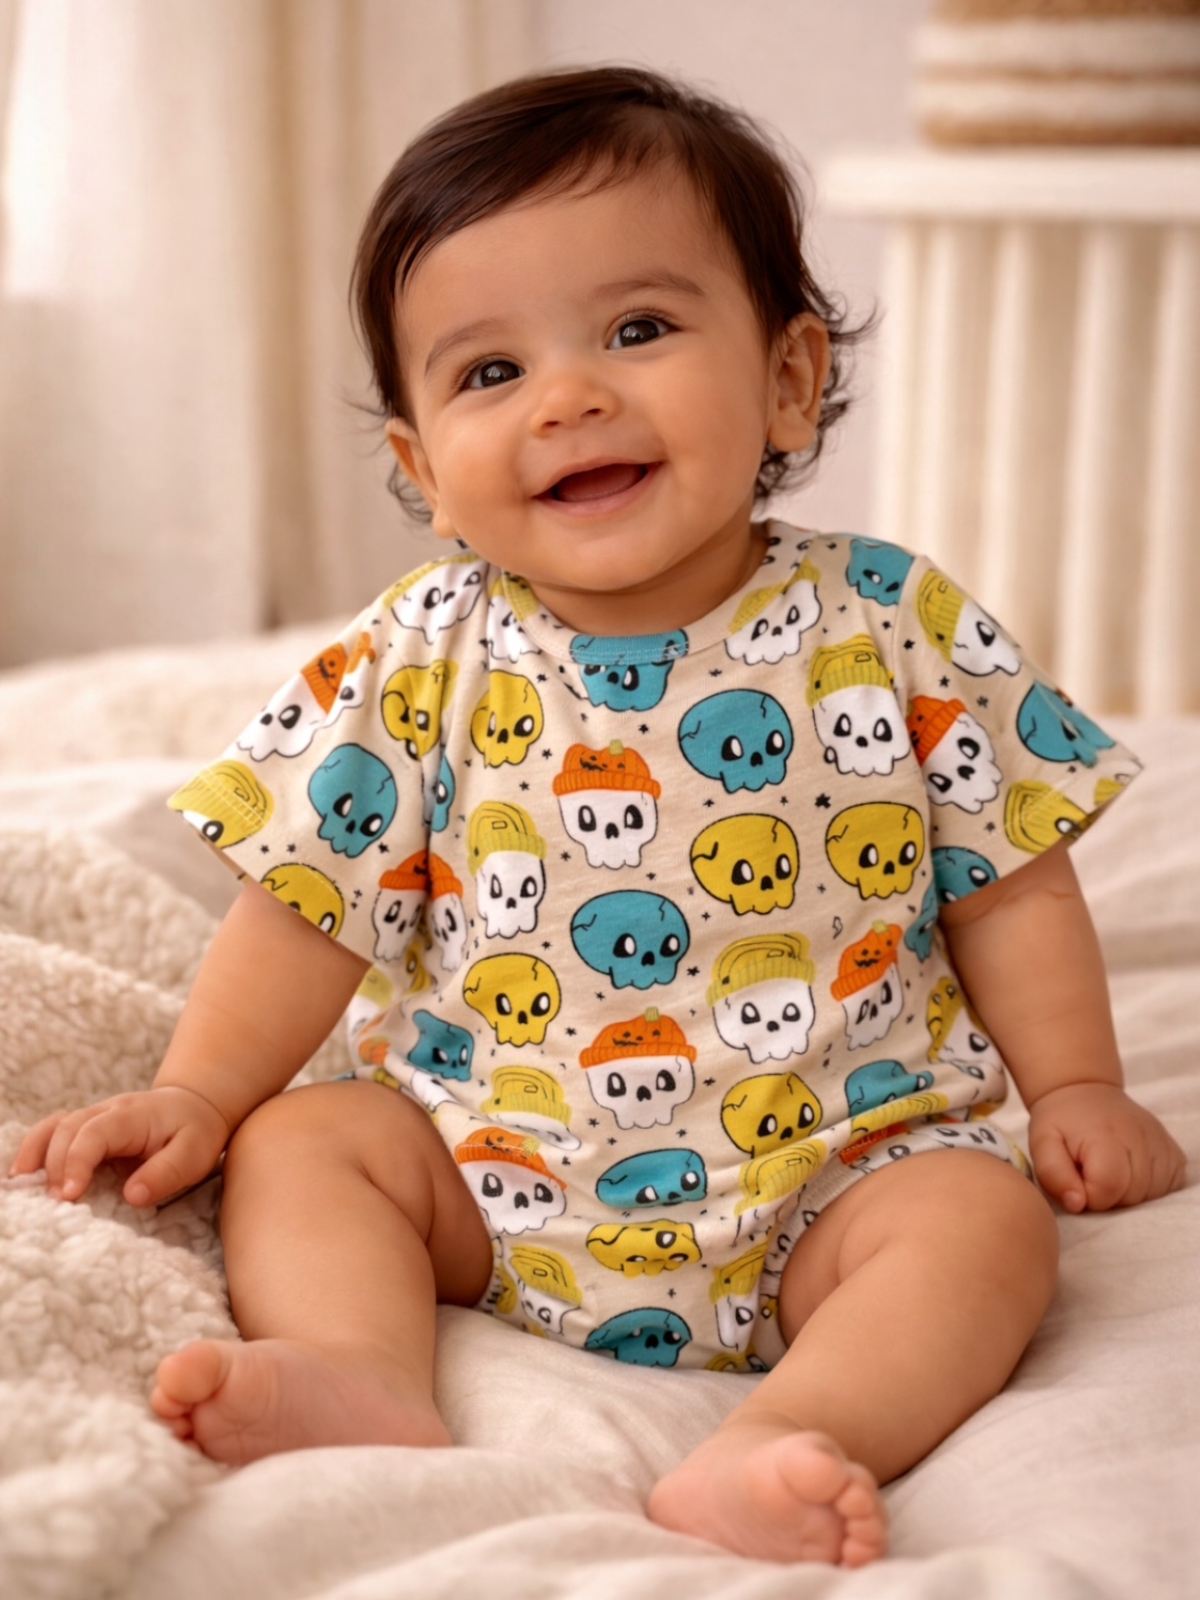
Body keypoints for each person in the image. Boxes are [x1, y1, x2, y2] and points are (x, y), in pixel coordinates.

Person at [10, 66, 1185, 1568]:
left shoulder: (893, 622)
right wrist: (197, 1090)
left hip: (836, 1167)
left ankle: (788, 1434)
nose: (567, 397)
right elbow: (305, 900)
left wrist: (1075, 1084)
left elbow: (1011, 877)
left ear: (788, 377)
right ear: (425, 471)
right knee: (306, 1141)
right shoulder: (419, 656)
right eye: (490, 371)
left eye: (638, 330)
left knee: (986, 1226)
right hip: (484, 1165)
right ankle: (361, 1371)